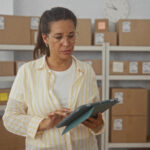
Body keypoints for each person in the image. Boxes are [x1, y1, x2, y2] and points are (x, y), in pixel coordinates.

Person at [3, 7, 104, 150]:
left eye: (71, 35)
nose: (66, 43)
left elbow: (96, 116)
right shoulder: (28, 72)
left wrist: (98, 125)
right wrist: (43, 123)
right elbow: (10, 119)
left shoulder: (87, 71)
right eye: (58, 37)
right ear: (45, 38)